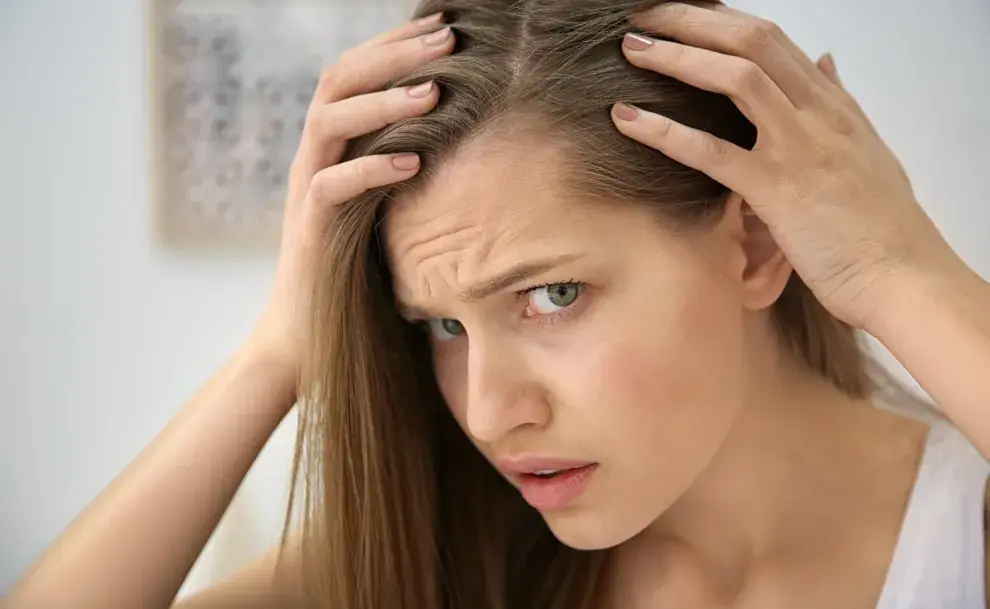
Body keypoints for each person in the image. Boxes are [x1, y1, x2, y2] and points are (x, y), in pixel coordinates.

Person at [6, 0, 990, 607]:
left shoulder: (961, 541)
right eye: (442, 326)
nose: (487, 413)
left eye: (551, 295)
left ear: (757, 242)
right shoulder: (456, 548)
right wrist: (278, 350)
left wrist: (900, 276)